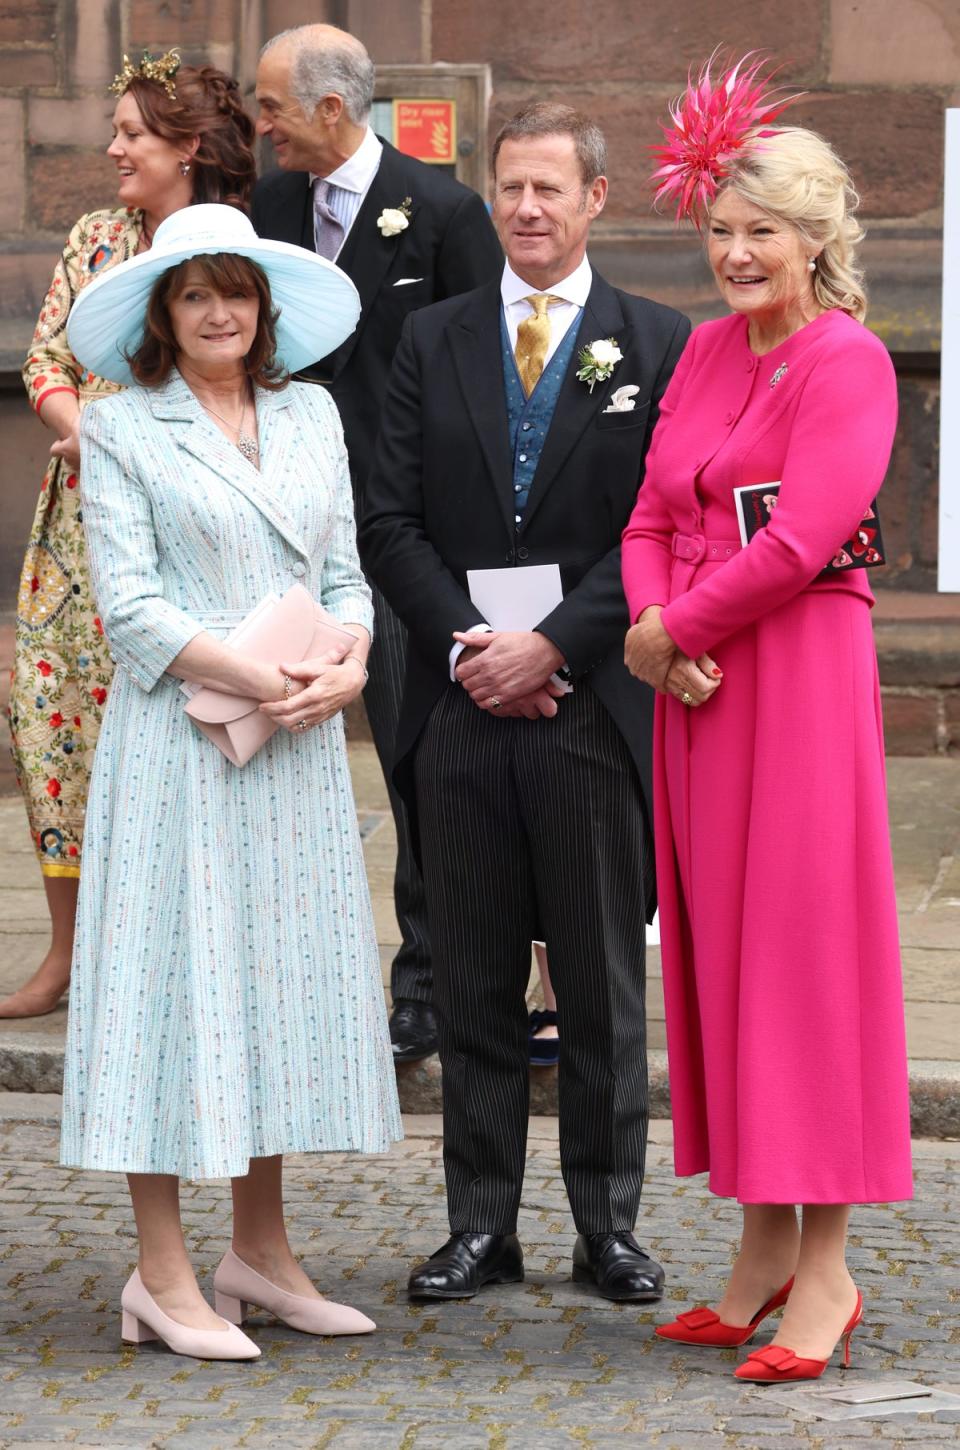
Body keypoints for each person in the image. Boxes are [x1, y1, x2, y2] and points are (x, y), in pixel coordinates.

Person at [60, 202, 401, 1360]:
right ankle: (160, 1272)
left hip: (295, 745)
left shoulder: (311, 413)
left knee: (273, 986)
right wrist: (255, 671)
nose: (218, 312)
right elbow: (131, 607)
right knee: (167, 988)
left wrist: (346, 665)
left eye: (236, 292)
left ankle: (260, 1250)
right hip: (183, 747)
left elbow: (348, 573)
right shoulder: (122, 429)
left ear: (265, 309)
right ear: (162, 310)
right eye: (195, 293)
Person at [360, 103, 689, 1302]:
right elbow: (388, 517)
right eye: (509, 188)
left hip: (590, 706)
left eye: (551, 188)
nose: (527, 210)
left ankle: (608, 1227)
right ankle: (479, 1226)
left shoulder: (657, 342)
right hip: (457, 708)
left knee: (602, 980)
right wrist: (469, 649)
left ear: (598, 198)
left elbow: (662, 531)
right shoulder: (432, 337)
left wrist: (550, 646)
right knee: (474, 977)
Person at [620, 56, 913, 1383]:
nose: (736, 253)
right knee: (727, 963)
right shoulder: (700, 350)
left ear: (815, 237)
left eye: (762, 232)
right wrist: (656, 627)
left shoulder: (846, 361)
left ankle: (829, 1268)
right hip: (698, 690)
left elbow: (799, 539)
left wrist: (678, 626)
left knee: (802, 963)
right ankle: (758, 1251)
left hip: (790, 681)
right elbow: (649, 513)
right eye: (721, 232)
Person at [251, 24, 503, 1063]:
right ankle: (282, 971)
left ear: (330, 110)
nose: (257, 128)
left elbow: (478, 376)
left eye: (270, 107)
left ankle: (428, 984)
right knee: (263, 750)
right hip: (277, 529)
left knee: (415, 760)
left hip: (398, 542)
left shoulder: (443, 213)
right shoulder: (263, 212)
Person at [3, 50, 256, 1020]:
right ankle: (66, 954)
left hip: (183, 536)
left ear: (187, 149)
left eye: (134, 135)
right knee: (53, 727)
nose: (113, 148)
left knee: (164, 742)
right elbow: (46, 356)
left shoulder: (229, 247)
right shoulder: (96, 234)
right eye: (114, 130)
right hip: (74, 535)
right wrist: (79, 429)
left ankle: (158, 959)